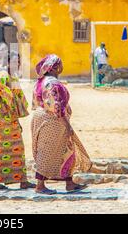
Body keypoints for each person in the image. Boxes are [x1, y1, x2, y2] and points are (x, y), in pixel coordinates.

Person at [31, 55, 92, 194]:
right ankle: (40, 186)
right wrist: (67, 124)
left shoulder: (39, 82)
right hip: (53, 121)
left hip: (40, 117)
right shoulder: (53, 83)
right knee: (48, 152)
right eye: (60, 65)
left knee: (65, 149)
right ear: (55, 67)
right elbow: (56, 106)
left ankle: (69, 182)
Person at [0, 71, 35, 190]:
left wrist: (17, 121)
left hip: (12, 120)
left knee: (18, 149)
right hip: (2, 121)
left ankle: (22, 180)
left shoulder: (13, 79)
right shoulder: (1, 76)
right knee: (0, 150)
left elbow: (13, 101)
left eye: (18, 62)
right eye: (14, 61)